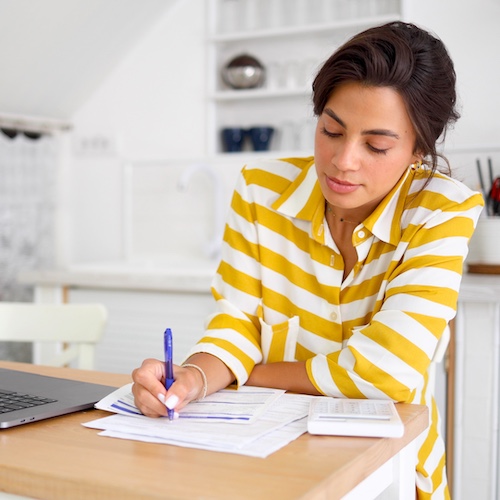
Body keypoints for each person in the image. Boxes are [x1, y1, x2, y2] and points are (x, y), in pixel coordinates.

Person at [132, 21, 484, 499]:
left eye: (376, 146)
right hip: (269, 461)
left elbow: (389, 371)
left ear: (419, 148)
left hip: (392, 472)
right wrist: (193, 379)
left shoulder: (441, 209)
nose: (343, 160)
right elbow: (237, 322)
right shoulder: (261, 191)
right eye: (331, 130)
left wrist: (241, 373)